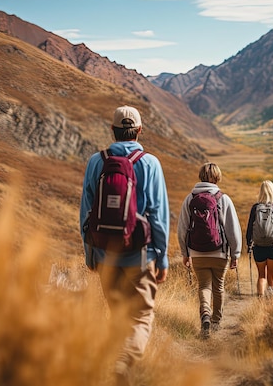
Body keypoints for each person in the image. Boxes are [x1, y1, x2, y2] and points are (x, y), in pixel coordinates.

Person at [80, 105, 169, 381]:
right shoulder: (150, 163)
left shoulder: (97, 161)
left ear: (113, 130)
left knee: (117, 315)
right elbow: (158, 214)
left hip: (105, 255)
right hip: (140, 256)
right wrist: (162, 258)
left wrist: (90, 254)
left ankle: (115, 370)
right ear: (139, 130)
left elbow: (86, 213)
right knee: (141, 317)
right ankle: (122, 364)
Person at [177, 162, 242, 338]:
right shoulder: (223, 198)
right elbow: (232, 228)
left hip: (197, 252)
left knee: (204, 286)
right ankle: (215, 322)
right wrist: (235, 254)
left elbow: (182, 228)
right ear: (217, 177)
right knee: (218, 287)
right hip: (219, 251)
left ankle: (205, 313)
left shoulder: (190, 198)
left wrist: (185, 253)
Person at [246, 180, 273, 297]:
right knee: (271, 278)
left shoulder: (255, 208)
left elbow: (249, 228)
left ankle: (260, 300)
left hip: (258, 247)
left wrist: (249, 244)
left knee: (261, 276)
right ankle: (270, 302)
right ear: (272, 191)